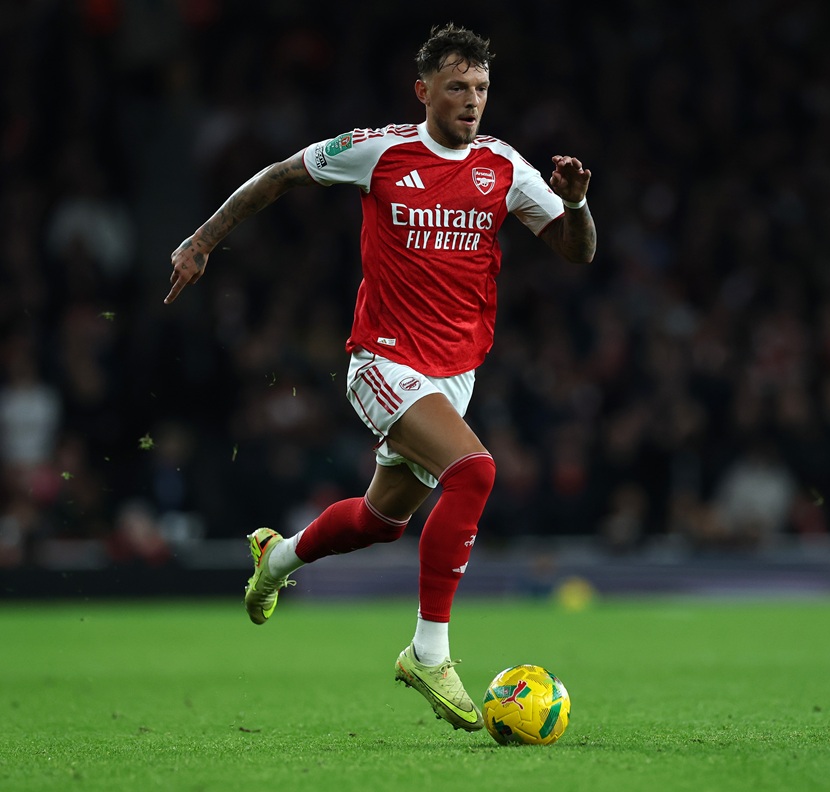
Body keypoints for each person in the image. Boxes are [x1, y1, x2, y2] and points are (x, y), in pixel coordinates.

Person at [164, 23, 596, 733]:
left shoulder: (504, 167)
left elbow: (576, 253)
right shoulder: (380, 150)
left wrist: (575, 203)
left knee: (381, 522)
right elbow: (278, 175)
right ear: (422, 90)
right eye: (456, 86)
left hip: (455, 373)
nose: (471, 100)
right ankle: (429, 653)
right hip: (383, 360)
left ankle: (275, 559)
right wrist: (203, 240)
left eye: (481, 88)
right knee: (476, 473)